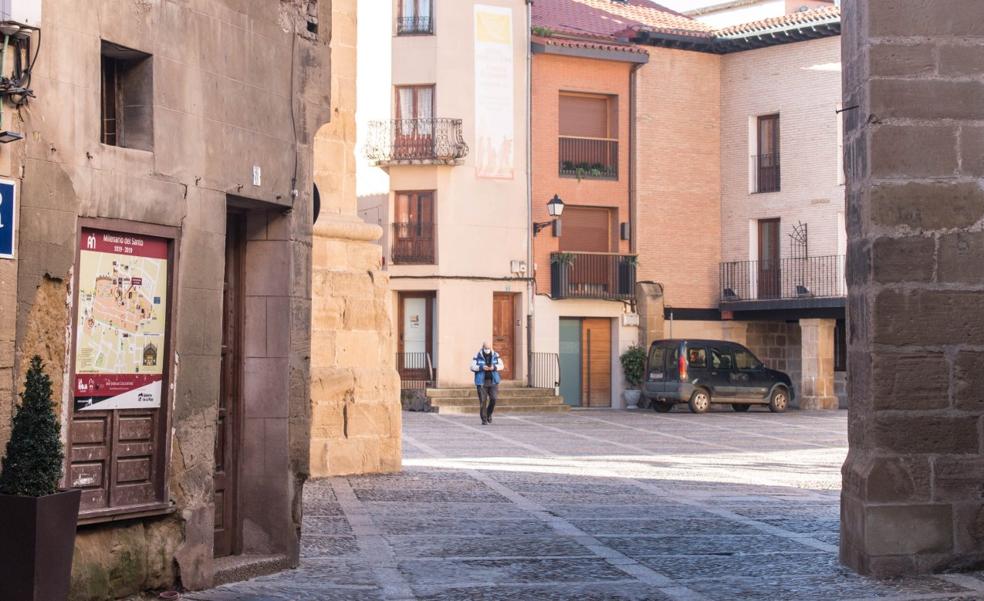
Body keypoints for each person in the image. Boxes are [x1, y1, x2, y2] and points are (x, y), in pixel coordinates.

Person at [470, 342, 504, 425]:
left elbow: (502, 366)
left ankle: (489, 414)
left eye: (488, 348)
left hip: (493, 381)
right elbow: (472, 367)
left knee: (494, 399)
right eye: (486, 348)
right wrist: (481, 367)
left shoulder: (495, 355)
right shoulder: (477, 356)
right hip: (481, 382)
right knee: (483, 401)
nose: (487, 350)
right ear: (482, 347)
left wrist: (494, 367)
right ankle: (484, 419)